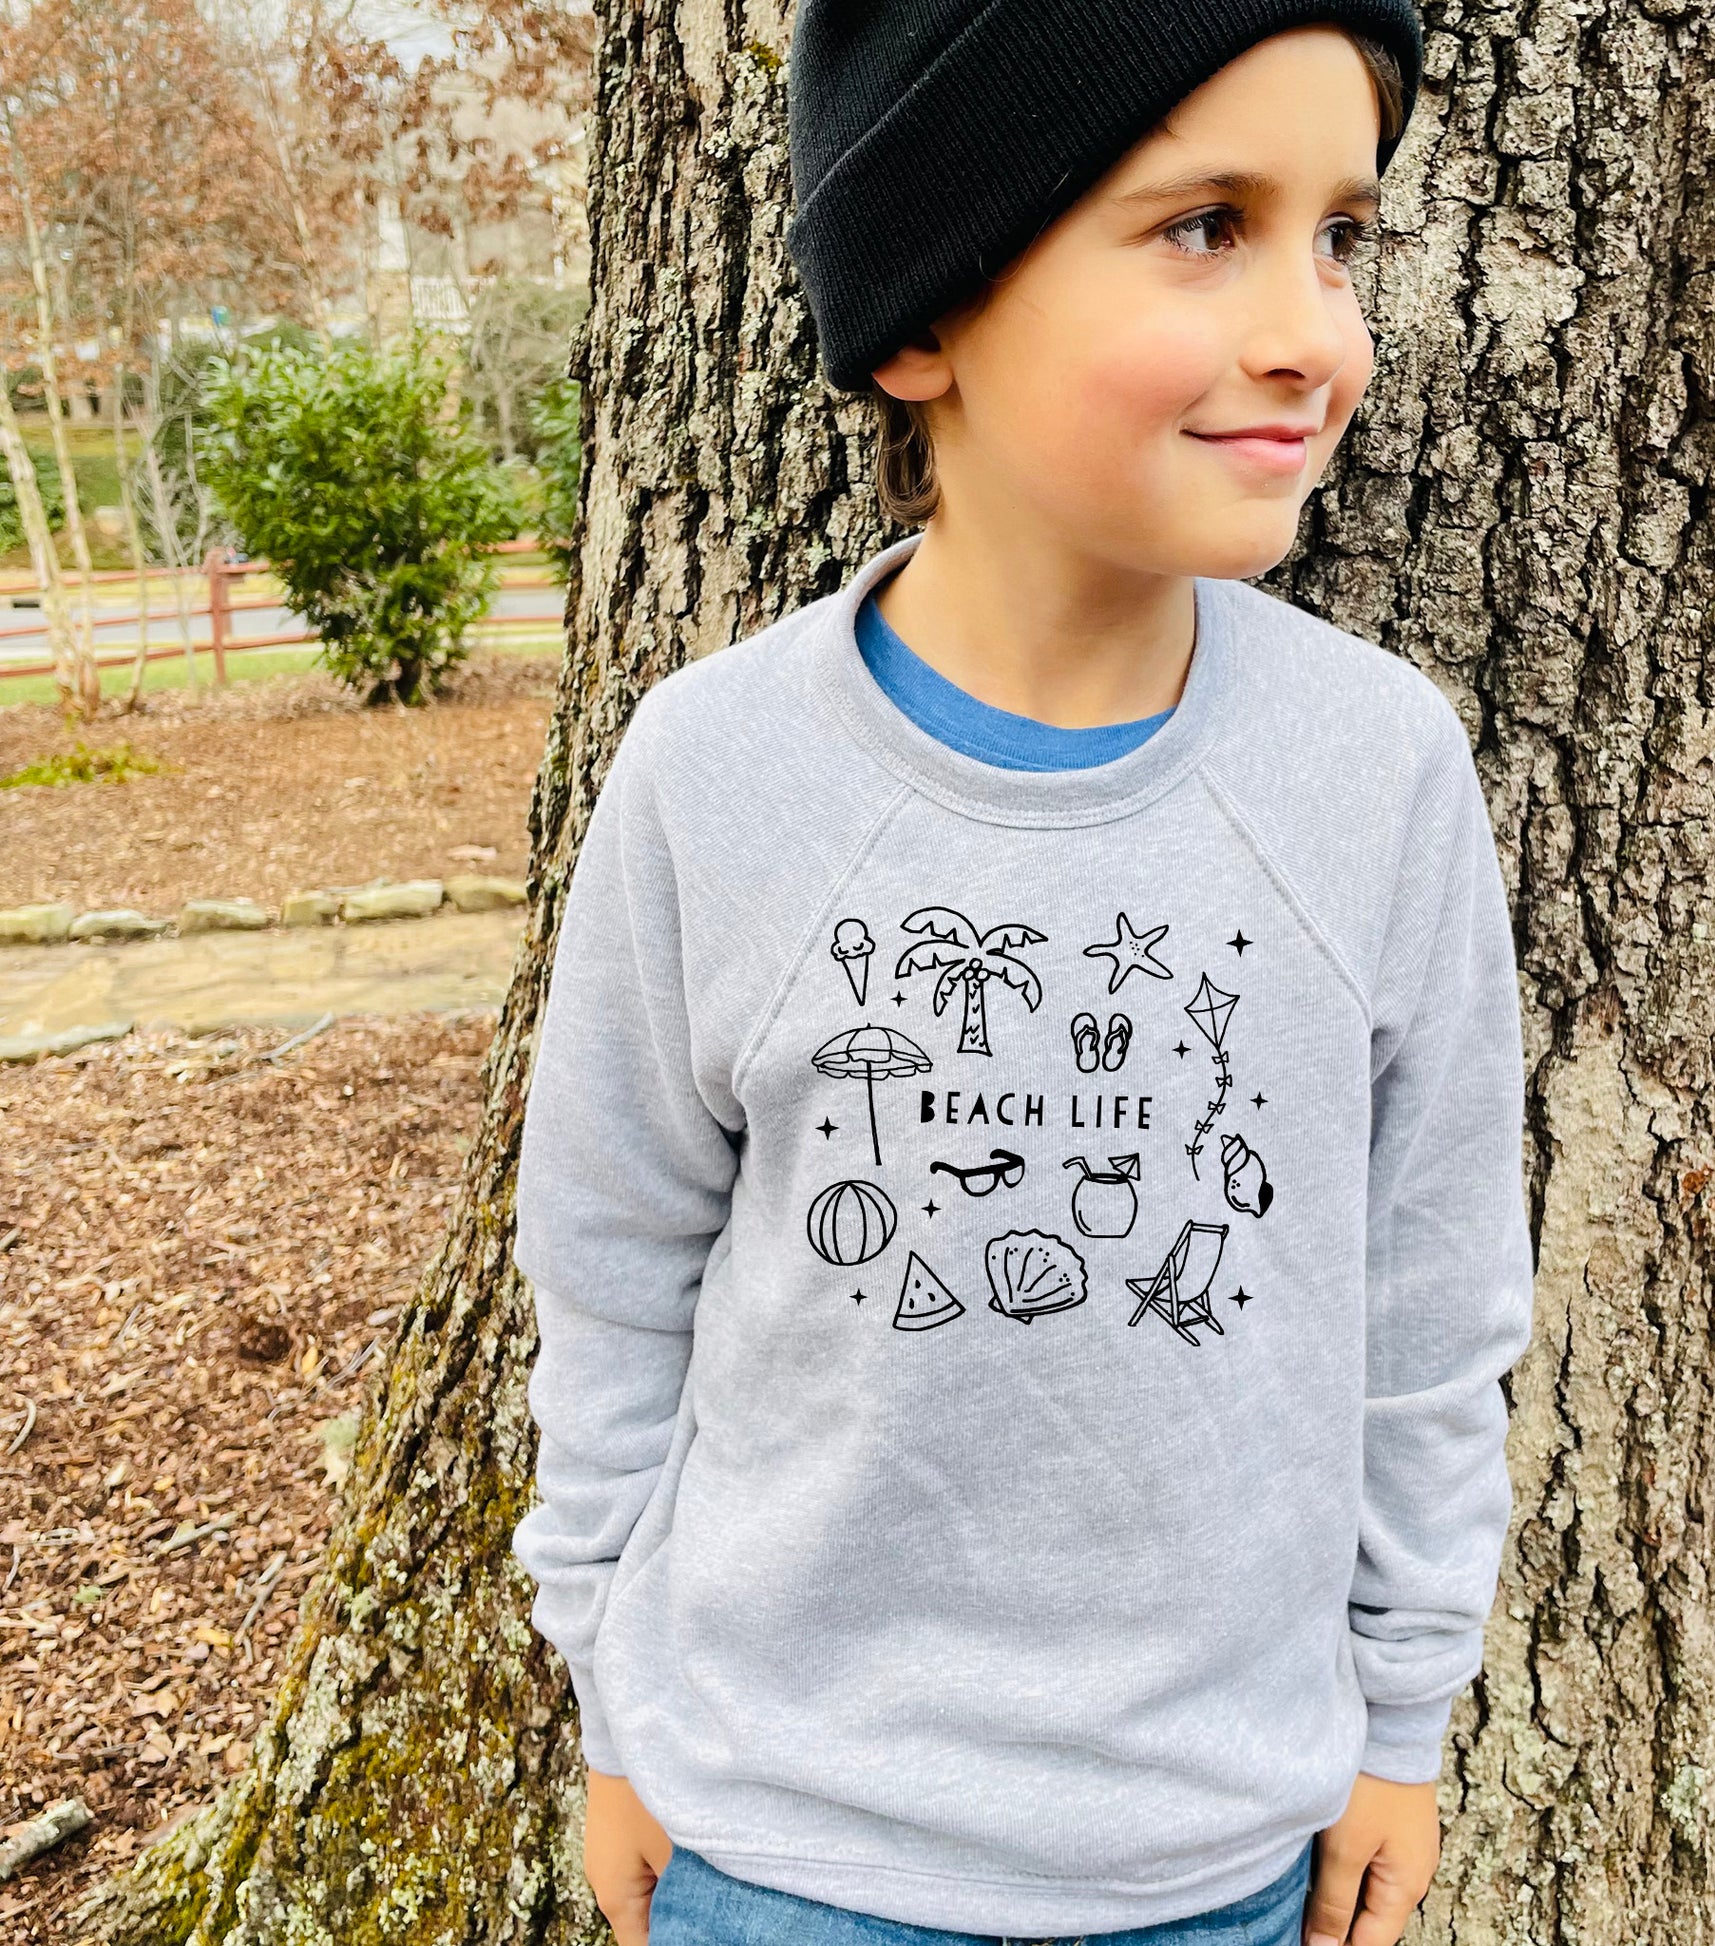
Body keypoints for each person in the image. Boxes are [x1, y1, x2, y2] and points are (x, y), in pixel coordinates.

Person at [511, 2, 1535, 1943]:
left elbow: (1432, 1303)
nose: (1314, 333)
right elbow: (611, 1261)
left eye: (1340, 233)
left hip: (1217, 1855)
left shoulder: (1377, 771)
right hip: (776, 1841)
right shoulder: (716, 777)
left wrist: (1400, 1717)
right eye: (1200, 225)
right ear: (924, 313)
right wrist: (616, 1703)